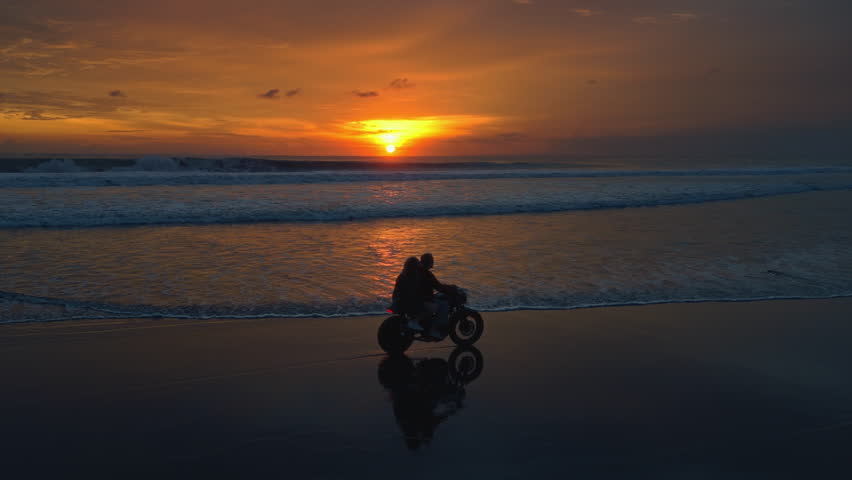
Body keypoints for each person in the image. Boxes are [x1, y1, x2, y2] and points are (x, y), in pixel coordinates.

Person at [419, 253, 452, 338]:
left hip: (414, 299)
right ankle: (435, 330)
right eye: (431, 261)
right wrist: (451, 289)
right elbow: (438, 287)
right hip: (423, 301)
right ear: (429, 262)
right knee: (444, 304)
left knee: (437, 299)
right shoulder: (427, 274)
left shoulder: (413, 271)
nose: (433, 262)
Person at [392, 256, 426, 331]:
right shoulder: (412, 277)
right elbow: (413, 293)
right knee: (427, 307)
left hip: (396, 300)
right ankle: (415, 322)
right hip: (405, 302)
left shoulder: (401, 275)